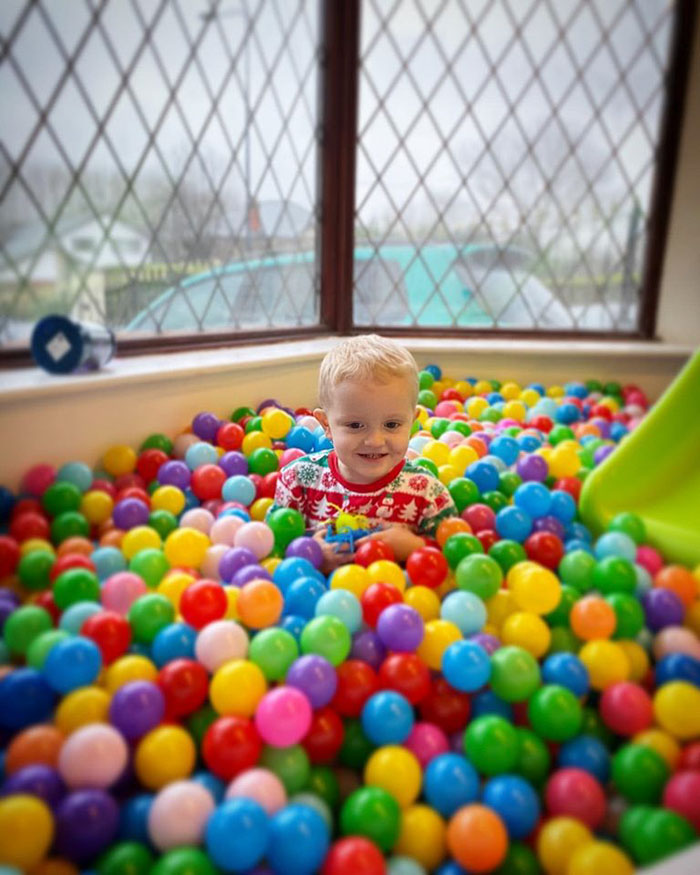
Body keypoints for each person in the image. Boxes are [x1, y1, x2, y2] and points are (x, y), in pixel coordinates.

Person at [270, 334, 457, 571]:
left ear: (412, 423)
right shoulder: (299, 481)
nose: (375, 441)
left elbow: (456, 557)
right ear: (326, 425)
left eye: (391, 425)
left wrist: (415, 548)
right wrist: (312, 555)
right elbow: (271, 547)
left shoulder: (427, 493)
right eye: (355, 425)